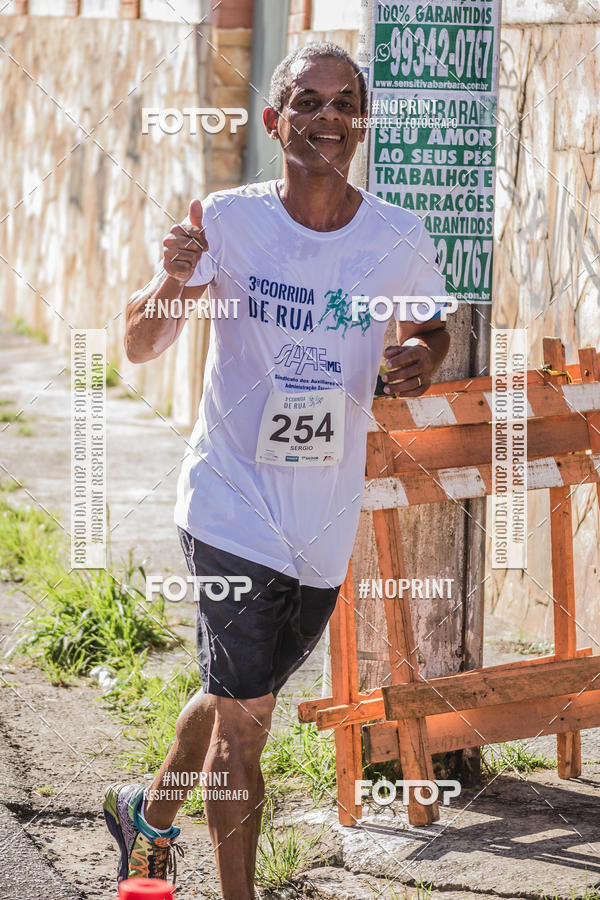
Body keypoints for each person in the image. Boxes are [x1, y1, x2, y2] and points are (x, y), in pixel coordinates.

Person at [103, 41, 450, 900]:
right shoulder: (228, 221)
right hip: (229, 501)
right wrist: (173, 280)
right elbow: (140, 343)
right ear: (274, 119)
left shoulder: (397, 234)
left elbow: (431, 323)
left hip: (322, 519)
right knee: (248, 725)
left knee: (234, 696)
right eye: (308, 101)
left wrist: (422, 354)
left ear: (361, 124)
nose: (327, 117)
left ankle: (146, 815)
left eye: (344, 103)